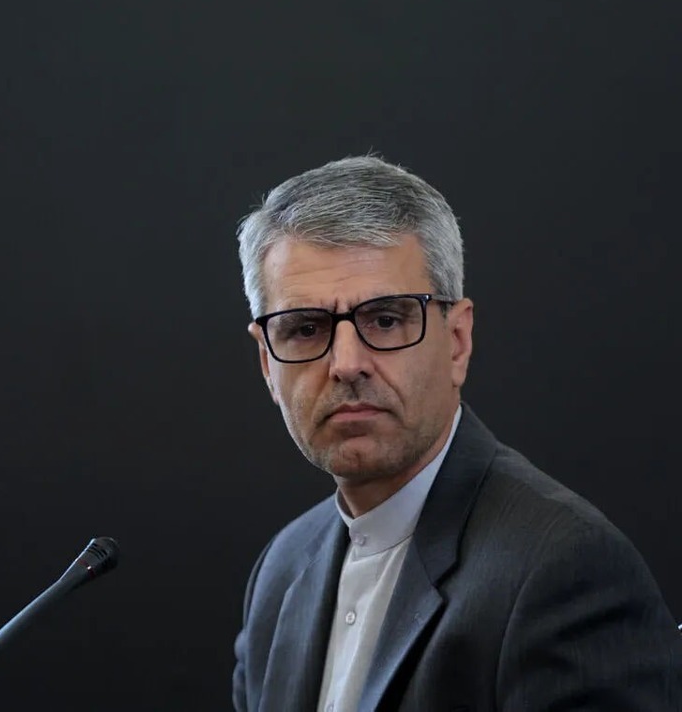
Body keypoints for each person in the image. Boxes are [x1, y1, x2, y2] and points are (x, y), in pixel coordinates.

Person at [231, 155, 681, 711]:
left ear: (458, 342)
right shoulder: (282, 569)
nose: (346, 363)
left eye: (386, 320)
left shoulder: (565, 569)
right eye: (305, 329)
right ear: (267, 364)